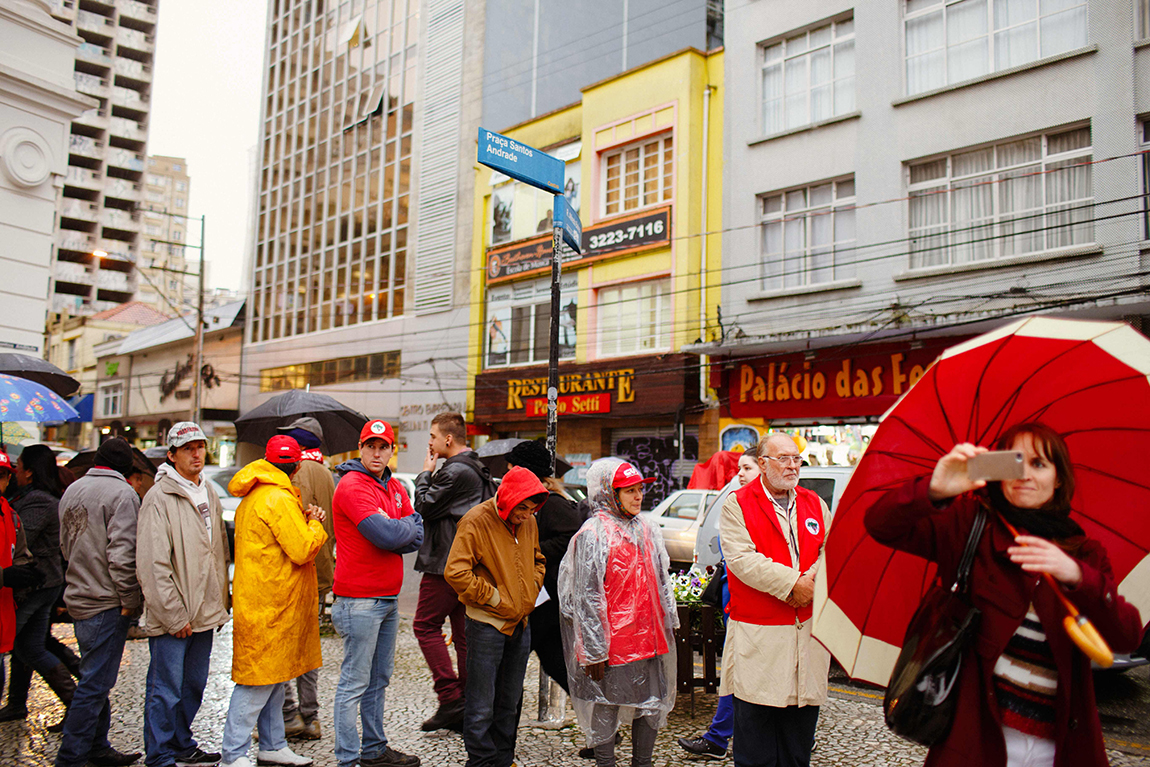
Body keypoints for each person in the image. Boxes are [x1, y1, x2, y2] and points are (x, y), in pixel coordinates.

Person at [865, 422, 1144, 767]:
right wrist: (935, 489)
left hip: (1059, 747)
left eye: (1039, 464)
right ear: (997, 471)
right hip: (974, 742)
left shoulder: (1085, 553)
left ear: (1059, 478)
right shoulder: (969, 525)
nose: (1025, 474)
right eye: (1014, 462)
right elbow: (881, 524)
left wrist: (1076, 576)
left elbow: (1126, 636)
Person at [719, 433, 830, 767]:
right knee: (757, 749)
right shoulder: (737, 504)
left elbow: (832, 548)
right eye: (783, 458)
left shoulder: (814, 502)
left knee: (798, 748)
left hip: (806, 641)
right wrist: (794, 584)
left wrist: (811, 580)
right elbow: (742, 561)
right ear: (763, 463)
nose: (792, 465)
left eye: (796, 458)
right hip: (760, 642)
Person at [558, 459, 677, 767]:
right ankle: (605, 762)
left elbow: (662, 579)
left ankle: (643, 762)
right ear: (609, 493)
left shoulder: (647, 529)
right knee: (606, 703)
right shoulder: (592, 535)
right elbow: (586, 596)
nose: (638, 496)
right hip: (615, 645)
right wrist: (594, 650)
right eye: (629, 491)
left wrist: (670, 622)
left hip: (650, 638)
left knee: (651, 705)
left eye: (640, 490)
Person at [219, 436, 328, 767]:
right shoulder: (278, 498)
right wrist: (315, 522)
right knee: (257, 683)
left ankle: (272, 744)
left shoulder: (256, 495)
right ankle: (233, 753)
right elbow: (302, 548)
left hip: (264, 600)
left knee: (274, 679)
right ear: (295, 468)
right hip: (272, 604)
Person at [330, 419, 423, 767]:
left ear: (391, 451)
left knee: (378, 680)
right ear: (360, 447)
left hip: (387, 599)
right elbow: (385, 535)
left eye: (383, 446)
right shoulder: (352, 486)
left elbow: (418, 533)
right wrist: (400, 527)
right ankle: (347, 759)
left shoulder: (396, 486)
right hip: (359, 600)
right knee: (354, 682)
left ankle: (373, 750)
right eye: (371, 445)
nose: (376, 452)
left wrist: (400, 526)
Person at [137, 422, 230, 767]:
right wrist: (174, 615)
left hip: (204, 611)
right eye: (187, 448)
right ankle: (159, 753)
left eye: (200, 447)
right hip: (173, 614)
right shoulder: (159, 498)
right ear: (172, 454)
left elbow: (218, 551)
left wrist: (220, 603)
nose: (195, 453)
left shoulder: (209, 492)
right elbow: (152, 563)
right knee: (166, 688)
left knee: (194, 684)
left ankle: (181, 742)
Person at [444, 465, 547, 767]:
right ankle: (481, 761)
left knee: (510, 701)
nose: (527, 515)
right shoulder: (476, 521)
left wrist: (529, 590)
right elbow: (455, 572)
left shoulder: (528, 522)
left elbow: (538, 559)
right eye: (522, 508)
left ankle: (503, 760)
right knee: (480, 704)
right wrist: (494, 597)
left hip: (521, 622)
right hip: (486, 624)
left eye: (532, 509)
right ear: (508, 500)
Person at [53, 437, 145, 767]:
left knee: (97, 677)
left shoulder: (73, 490)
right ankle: (71, 756)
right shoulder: (122, 494)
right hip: (107, 601)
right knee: (95, 683)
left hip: (79, 593)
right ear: (125, 468)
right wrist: (130, 599)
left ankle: (97, 745)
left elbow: (64, 545)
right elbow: (123, 555)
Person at [412, 412, 494, 732]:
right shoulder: (478, 468)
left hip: (445, 564)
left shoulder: (455, 471)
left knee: (425, 625)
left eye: (432, 437)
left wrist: (425, 472)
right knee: (463, 635)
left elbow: (424, 505)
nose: (429, 444)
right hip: (468, 563)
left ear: (448, 439)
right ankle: (470, 705)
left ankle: (450, 698)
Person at [679, 449, 761, 760]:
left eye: (747, 468)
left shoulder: (763, 509)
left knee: (740, 669)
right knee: (736, 669)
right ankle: (719, 737)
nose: (740, 474)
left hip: (751, 603)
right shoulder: (738, 503)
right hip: (734, 599)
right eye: (739, 468)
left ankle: (719, 738)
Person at [1, 444, 74, 728]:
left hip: (36, 585)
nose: (15, 472)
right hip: (43, 583)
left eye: (18, 467)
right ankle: (76, 704)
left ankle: (81, 704)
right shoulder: (35, 497)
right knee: (32, 647)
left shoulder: (38, 501)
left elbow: (20, 540)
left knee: (21, 643)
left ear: (29, 472)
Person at [275, 418, 336, 742]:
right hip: (320, 573)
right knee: (308, 649)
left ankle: (288, 715)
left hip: (290, 574)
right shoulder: (329, 474)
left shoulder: (292, 473)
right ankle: (311, 717)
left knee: (283, 648)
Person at [505, 439, 583, 694]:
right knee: (555, 664)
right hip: (540, 599)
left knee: (509, 664)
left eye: (511, 468)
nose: (506, 473)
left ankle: (496, 726)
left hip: (545, 599)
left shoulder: (551, 503)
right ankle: (598, 719)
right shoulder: (531, 503)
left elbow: (570, 537)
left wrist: (531, 552)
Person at [1, 450, 39, 719]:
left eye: (2, 475)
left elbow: (21, 555)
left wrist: (28, 571)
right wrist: (4, 577)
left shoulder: (11, 515)